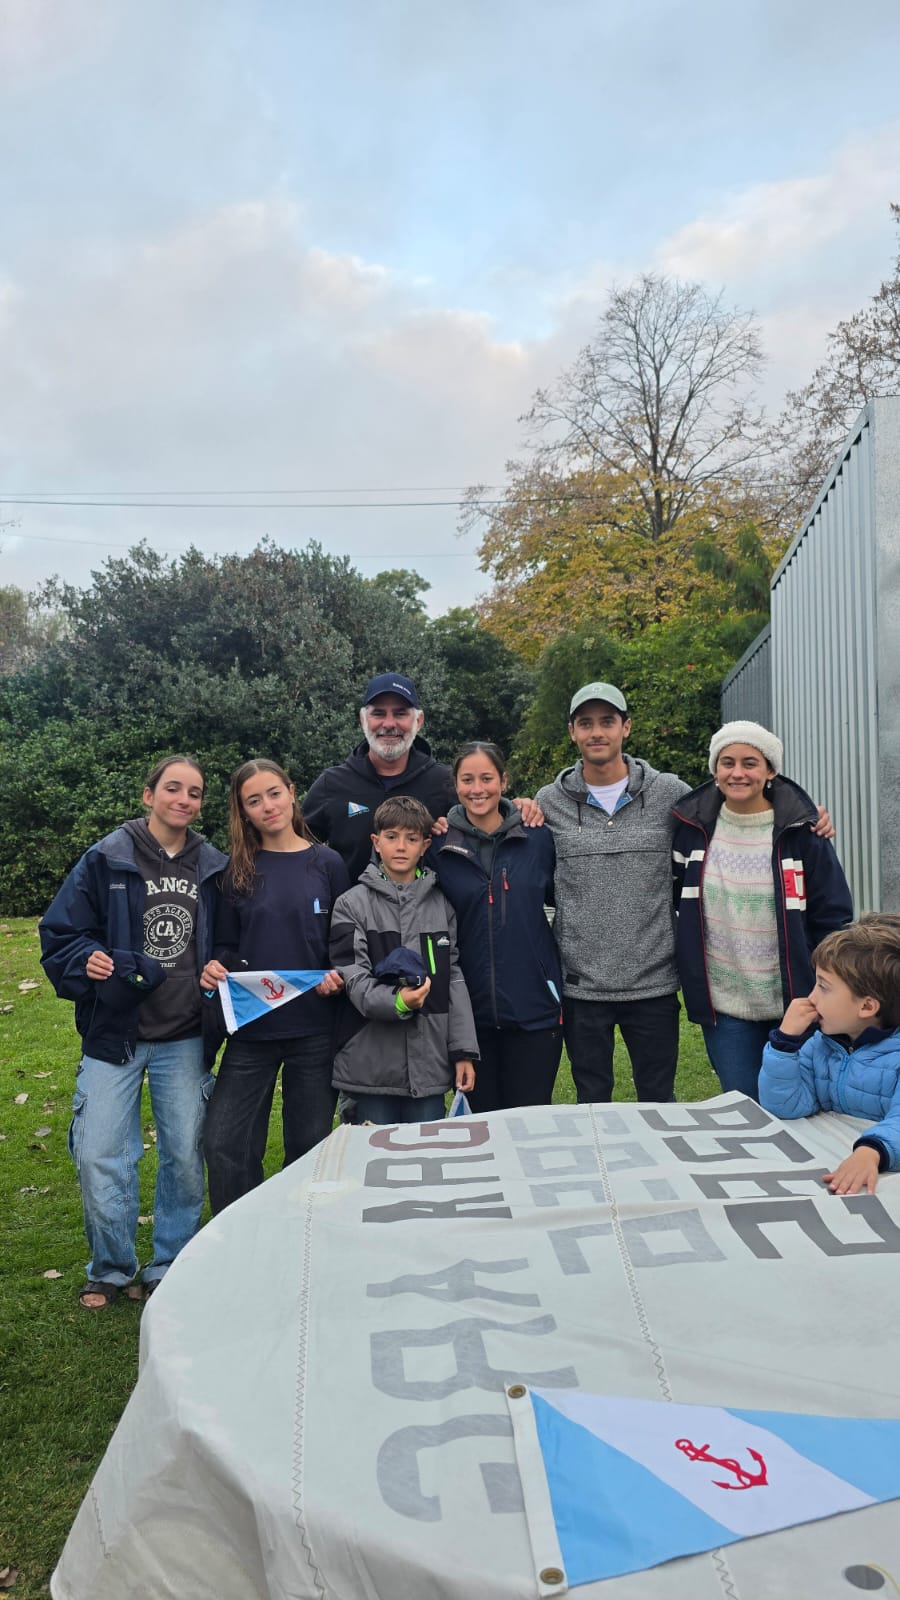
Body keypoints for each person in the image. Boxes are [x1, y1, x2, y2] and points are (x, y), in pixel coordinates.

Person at [39, 755, 227, 1309]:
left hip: (185, 1036)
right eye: (173, 788)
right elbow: (61, 932)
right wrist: (87, 959)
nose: (184, 799)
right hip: (114, 1035)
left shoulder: (212, 866)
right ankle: (112, 1269)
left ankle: (171, 1263)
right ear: (149, 795)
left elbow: (232, 939)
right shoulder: (106, 857)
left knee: (184, 1157)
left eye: (194, 792)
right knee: (99, 1152)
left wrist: (222, 967)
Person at [672, 721, 852, 1100]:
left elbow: (832, 917)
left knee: (804, 1104)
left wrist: (833, 987)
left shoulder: (802, 832)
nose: (737, 773)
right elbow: (676, 900)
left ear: (770, 770)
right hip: (725, 1007)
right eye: (727, 762)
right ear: (715, 769)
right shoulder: (691, 830)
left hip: (799, 1001)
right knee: (745, 1107)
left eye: (750, 763)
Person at [200, 760, 349, 1213]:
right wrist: (216, 967)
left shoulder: (327, 863)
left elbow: (344, 943)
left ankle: (300, 1230)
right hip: (252, 1030)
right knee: (224, 1142)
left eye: (274, 793)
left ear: (291, 792)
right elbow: (226, 945)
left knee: (308, 1146)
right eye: (254, 800)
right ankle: (240, 1230)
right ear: (243, 811)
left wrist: (338, 976)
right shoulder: (236, 870)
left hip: (315, 1030)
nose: (267, 806)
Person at [535, 683, 690, 1104]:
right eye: (586, 723)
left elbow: (734, 808)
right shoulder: (548, 802)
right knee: (592, 1102)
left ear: (626, 727)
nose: (597, 732)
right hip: (581, 986)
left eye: (607, 721)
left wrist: (805, 816)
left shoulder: (670, 793)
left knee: (658, 1101)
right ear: (572, 732)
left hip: (654, 983)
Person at [328, 795, 477, 1124]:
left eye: (411, 839)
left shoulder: (442, 905)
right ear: (376, 842)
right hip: (369, 1068)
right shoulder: (350, 905)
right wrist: (398, 1002)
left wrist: (463, 1051)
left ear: (425, 846)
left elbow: (453, 977)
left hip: (430, 1066)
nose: (400, 847)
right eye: (391, 836)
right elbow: (353, 978)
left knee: (428, 1152)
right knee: (371, 1153)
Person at [431, 742, 563, 1111]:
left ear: (503, 781)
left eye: (487, 778)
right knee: (482, 1127)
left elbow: (569, 901)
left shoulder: (538, 837)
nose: (478, 789)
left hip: (534, 1008)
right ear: (456, 785)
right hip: (468, 1015)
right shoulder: (438, 846)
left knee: (531, 1124)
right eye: (467, 780)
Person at [759, 916, 900, 1194]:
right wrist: (784, 1045)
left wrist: (871, 1152)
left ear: (867, 1006)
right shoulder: (822, 1044)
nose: (811, 998)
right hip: (835, 1163)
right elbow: (786, 1106)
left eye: (823, 987)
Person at [302, 674, 458, 884]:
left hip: (428, 905)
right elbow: (293, 847)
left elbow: (483, 833)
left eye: (400, 713)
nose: (389, 723)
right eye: (378, 713)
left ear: (418, 721)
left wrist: (453, 832)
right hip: (349, 906)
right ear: (363, 720)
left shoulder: (445, 782)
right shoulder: (331, 784)